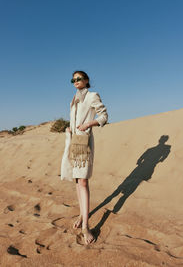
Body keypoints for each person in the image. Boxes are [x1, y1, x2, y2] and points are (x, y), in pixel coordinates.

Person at [61, 71, 108, 245]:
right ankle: (82, 214)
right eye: (73, 79)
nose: (76, 81)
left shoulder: (92, 96)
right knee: (76, 180)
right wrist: (70, 128)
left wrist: (89, 124)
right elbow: (74, 119)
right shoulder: (73, 99)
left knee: (83, 182)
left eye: (79, 78)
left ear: (86, 80)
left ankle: (86, 226)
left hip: (84, 141)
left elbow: (104, 116)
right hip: (73, 141)